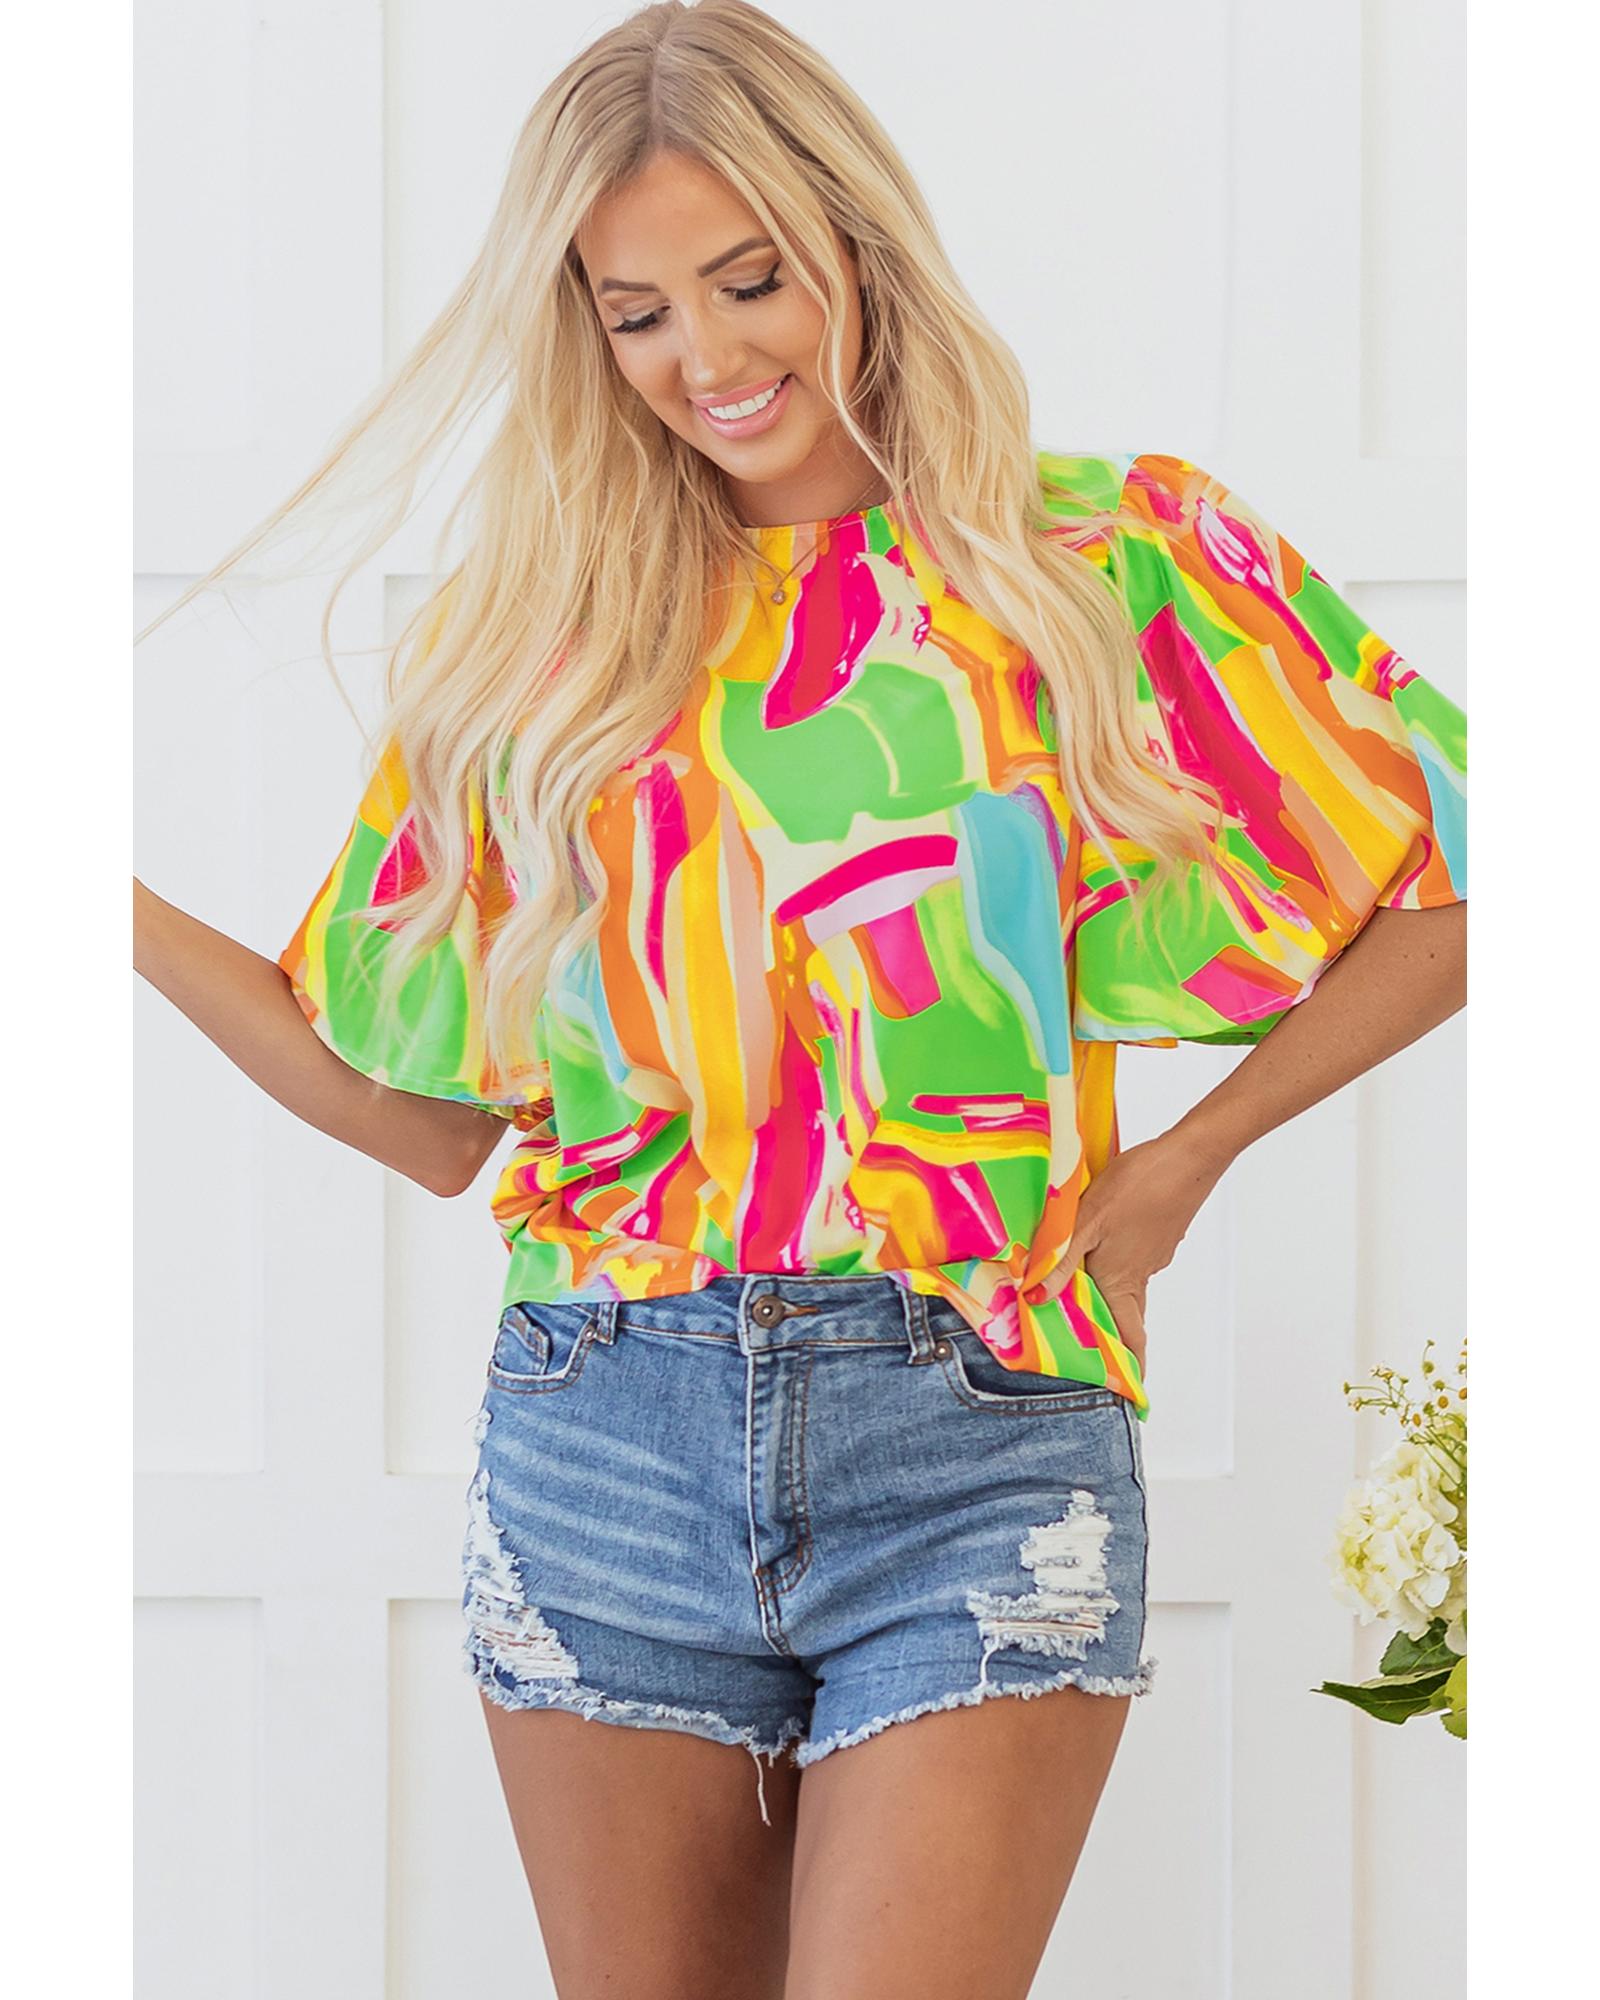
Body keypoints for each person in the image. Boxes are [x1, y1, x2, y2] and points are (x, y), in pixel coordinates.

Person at [132, 3, 1468, 1993]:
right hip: (602, 1424)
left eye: (749, 279)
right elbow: (422, 1120)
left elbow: (1462, 877)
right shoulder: (542, 639)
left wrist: (1188, 1159)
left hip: (980, 1422)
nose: (708, 355)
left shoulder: (1103, 557)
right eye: (638, 311)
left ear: (857, 241)